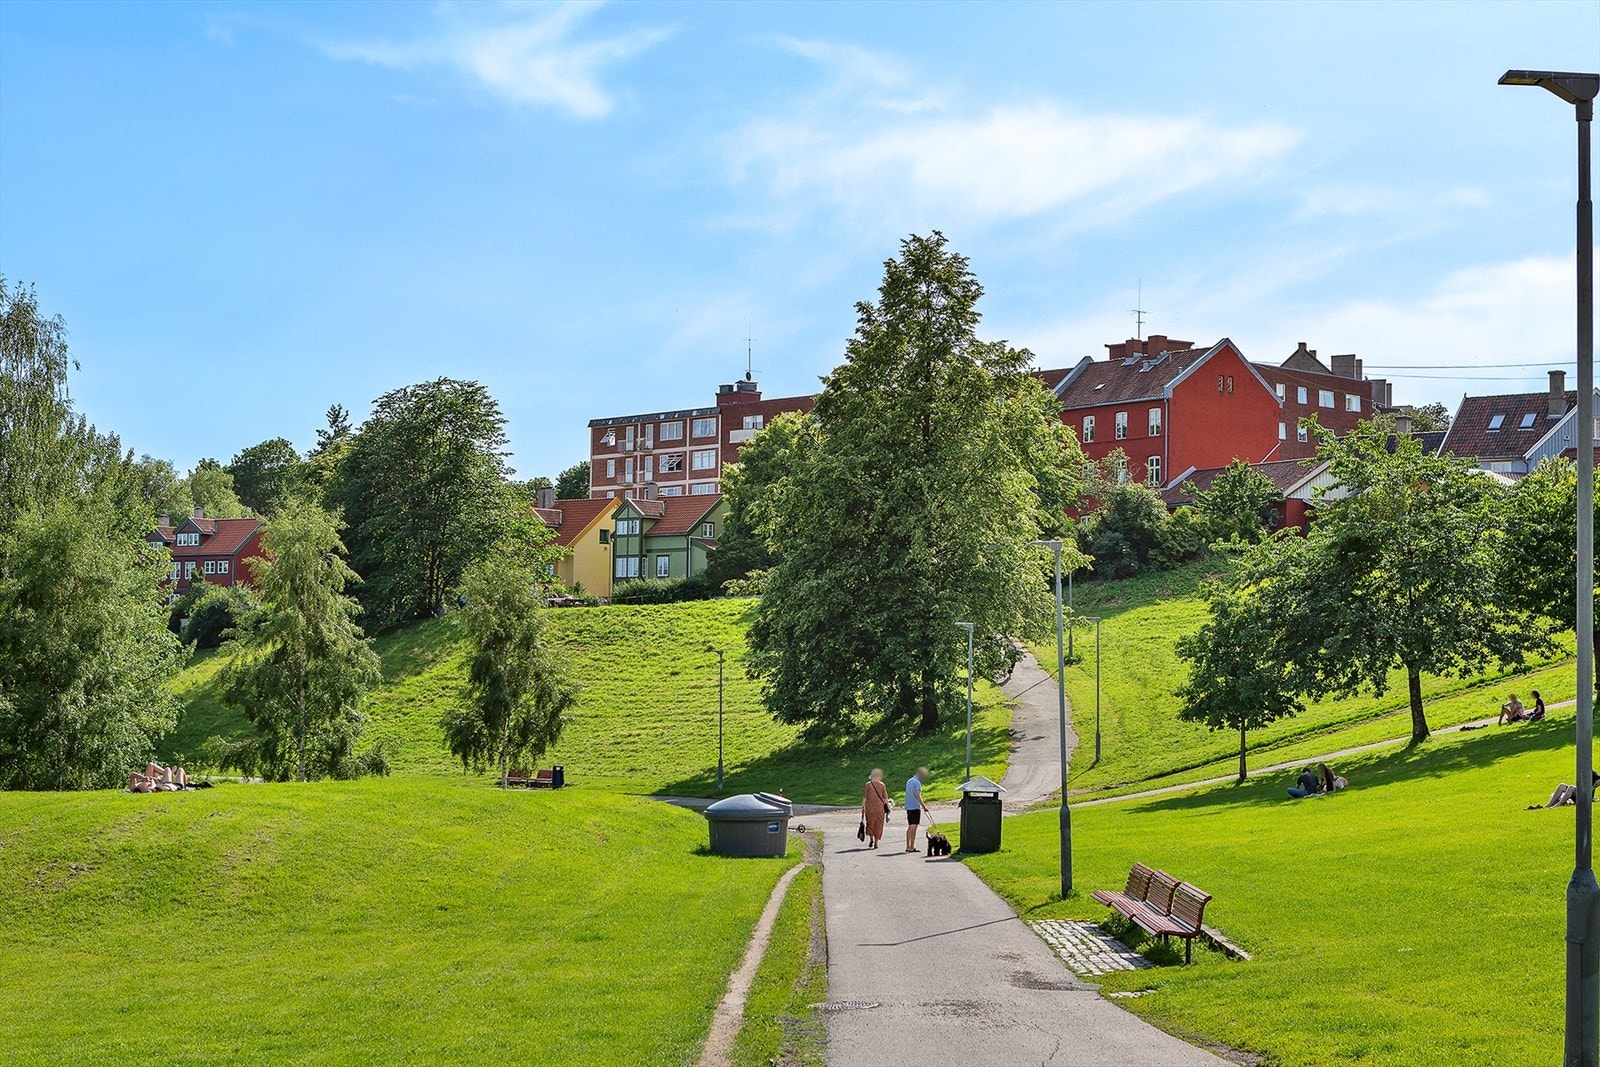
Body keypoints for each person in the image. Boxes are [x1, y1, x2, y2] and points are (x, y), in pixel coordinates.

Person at [861, 769, 890, 850]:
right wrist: (888, 807)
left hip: (869, 808)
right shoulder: (882, 785)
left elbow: (865, 797)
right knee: (878, 824)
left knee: (870, 823)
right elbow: (885, 798)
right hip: (879, 808)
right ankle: (876, 843)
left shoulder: (868, 785)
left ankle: (871, 839)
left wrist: (863, 807)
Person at [904, 767, 929, 852]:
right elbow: (918, 795)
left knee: (910, 826)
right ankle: (912, 846)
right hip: (915, 806)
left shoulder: (909, 781)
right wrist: (924, 806)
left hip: (908, 806)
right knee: (914, 827)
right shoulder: (917, 783)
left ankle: (908, 846)